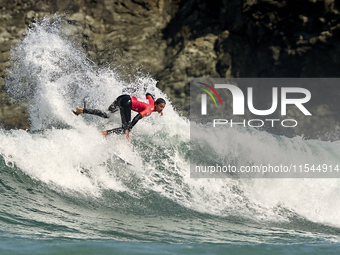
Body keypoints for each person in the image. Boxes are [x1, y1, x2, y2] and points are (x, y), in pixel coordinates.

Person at [74, 93, 166, 141]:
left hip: (122, 97)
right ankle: (103, 134)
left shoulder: (151, 101)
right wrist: (128, 130)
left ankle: (82, 110)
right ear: (156, 104)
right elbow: (137, 117)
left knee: (107, 114)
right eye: (161, 106)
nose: (162, 109)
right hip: (127, 103)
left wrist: (158, 108)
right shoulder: (150, 109)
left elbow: (148, 94)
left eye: (163, 108)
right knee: (124, 129)